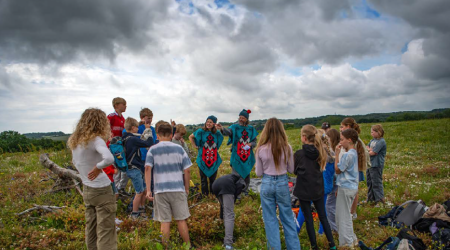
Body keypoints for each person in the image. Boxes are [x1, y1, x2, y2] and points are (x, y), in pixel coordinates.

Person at [68, 108, 117, 250]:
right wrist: (98, 167)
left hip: (87, 188)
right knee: (106, 231)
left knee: (91, 228)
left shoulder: (76, 141)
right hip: (102, 189)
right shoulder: (96, 140)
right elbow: (109, 158)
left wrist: (87, 173)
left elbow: (75, 162)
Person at [255, 118, 300, 250]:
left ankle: (275, 247)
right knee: (287, 217)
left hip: (267, 182)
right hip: (282, 181)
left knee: (270, 219)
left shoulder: (261, 149)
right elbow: (291, 170)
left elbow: (258, 173)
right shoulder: (287, 147)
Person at [145, 122, 192, 248]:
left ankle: (165, 247)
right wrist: (186, 188)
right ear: (171, 134)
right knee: (181, 219)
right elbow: (187, 170)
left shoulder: (152, 150)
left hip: (160, 190)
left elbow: (148, 169)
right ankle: (188, 246)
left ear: (158, 135)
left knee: (165, 222)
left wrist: (149, 190)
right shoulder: (179, 149)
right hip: (177, 188)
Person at [293, 125, 336, 250]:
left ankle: (314, 246)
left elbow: (295, 171)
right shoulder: (320, 152)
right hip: (318, 188)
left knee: (309, 220)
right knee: (323, 216)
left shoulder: (299, 154)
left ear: (304, 138)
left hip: (304, 191)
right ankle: (332, 245)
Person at [217, 109, 258, 194]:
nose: (241, 119)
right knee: (236, 174)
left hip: (247, 155)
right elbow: (228, 131)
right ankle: (237, 192)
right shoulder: (234, 127)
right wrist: (222, 128)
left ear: (247, 119)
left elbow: (254, 141)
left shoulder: (251, 129)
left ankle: (245, 191)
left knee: (246, 174)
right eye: (240, 117)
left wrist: (250, 144)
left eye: (243, 117)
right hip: (237, 155)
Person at [122, 117, 154, 219]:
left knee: (144, 190)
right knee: (139, 192)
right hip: (134, 168)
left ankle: (141, 208)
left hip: (133, 168)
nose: (138, 129)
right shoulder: (132, 139)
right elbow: (149, 143)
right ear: (133, 128)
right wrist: (148, 131)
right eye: (136, 127)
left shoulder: (126, 138)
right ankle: (135, 214)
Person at [334, 128, 360, 248]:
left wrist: (337, 154)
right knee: (347, 215)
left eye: (342, 139)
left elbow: (338, 170)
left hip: (345, 187)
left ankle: (346, 243)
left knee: (342, 217)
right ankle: (352, 239)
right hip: (352, 187)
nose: (340, 142)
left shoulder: (347, 155)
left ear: (349, 140)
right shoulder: (354, 152)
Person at [339, 117, 368, 219]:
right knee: (354, 191)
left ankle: (352, 212)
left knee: (354, 191)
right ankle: (351, 212)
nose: (340, 129)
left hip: (353, 169)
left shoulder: (352, 139)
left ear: (348, 126)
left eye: (342, 127)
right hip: (354, 168)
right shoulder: (354, 138)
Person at [189, 115, 224, 196]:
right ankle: (205, 194)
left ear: (214, 124)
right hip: (202, 158)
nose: (208, 123)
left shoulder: (217, 133)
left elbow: (219, 142)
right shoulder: (200, 131)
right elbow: (191, 137)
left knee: (213, 178)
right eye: (207, 121)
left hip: (213, 158)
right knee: (203, 178)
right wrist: (195, 146)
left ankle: (212, 193)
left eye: (210, 122)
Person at [211, 174, 246, 250]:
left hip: (215, 185)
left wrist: (221, 216)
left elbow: (223, 206)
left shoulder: (232, 177)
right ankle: (228, 244)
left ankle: (227, 236)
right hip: (226, 186)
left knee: (225, 212)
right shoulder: (242, 182)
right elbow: (236, 194)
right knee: (230, 215)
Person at [108, 97, 129, 196]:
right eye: (123, 104)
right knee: (116, 167)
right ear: (116, 105)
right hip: (113, 146)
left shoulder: (123, 119)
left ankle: (121, 188)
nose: (125, 106)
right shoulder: (111, 117)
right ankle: (115, 189)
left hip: (121, 146)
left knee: (123, 166)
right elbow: (105, 127)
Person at [366, 124, 387, 204]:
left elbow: (373, 152)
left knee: (376, 182)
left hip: (376, 164)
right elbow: (367, 147)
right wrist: (369, 150)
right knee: (369, 181)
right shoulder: (372, 140)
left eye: (373, 132)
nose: (371, 134)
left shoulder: (381, 141)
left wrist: (370, 151)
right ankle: (371, 198)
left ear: (379, 132)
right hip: (370, 164)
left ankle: (380, 200)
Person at [325, 128, 340, 232]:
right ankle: (333, 227)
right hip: (335, 182)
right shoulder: (336, 150)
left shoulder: (334, 152)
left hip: (335, 182)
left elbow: (336, 169)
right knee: (331, 206)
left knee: (329, 206)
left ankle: (335, 229)